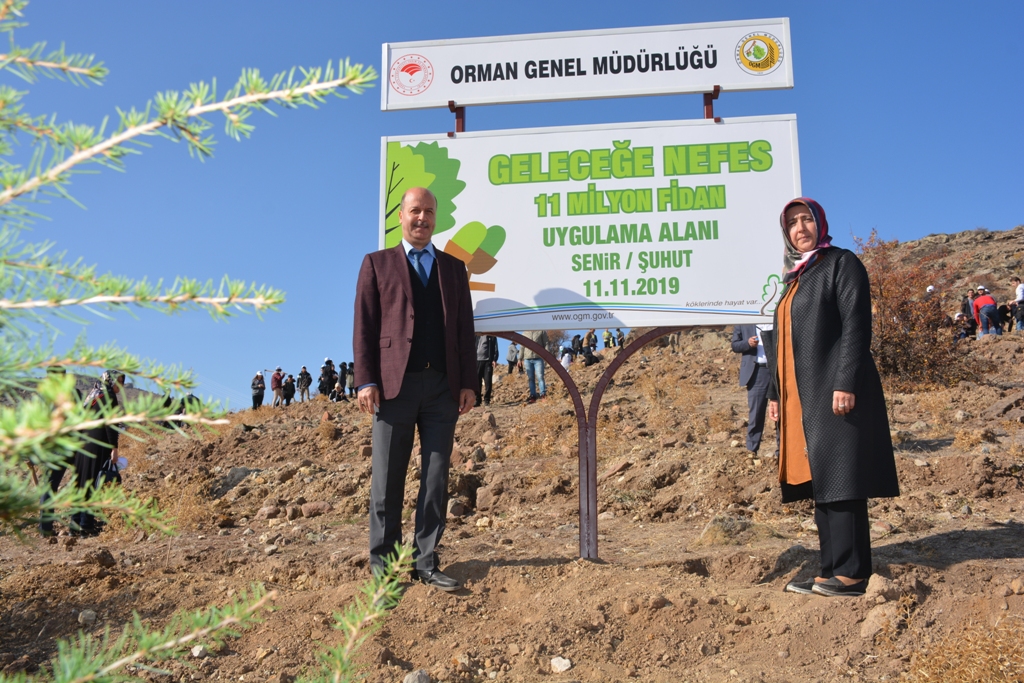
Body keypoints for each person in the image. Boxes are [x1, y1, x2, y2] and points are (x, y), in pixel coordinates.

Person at [763, 198, 899, 597]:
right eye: (792, 223)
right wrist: (775, 392)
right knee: (821, 476)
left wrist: (846, 381)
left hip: (835, 388)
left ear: (820, 223)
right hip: (803, 394)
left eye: (806, 219)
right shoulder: (796, 278)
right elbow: (783, 344)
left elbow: (856, 325)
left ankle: (852, 573)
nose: (800, 227)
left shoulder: (841, 263)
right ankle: (830, 570)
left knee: (842, 476)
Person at [354, 186, 476, 592]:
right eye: (414, 211)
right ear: (401, 216)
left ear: (435, 218)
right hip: (393, 388)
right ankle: (385, 568)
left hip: (443, 388)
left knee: (436, 478)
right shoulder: (376, 264)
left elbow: (464, 328)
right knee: (387, 481)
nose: (421, 218)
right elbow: (364, 325)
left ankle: (426, 561)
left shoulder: (453, 268)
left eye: (428, 212)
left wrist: (468, 382)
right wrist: (366, 380)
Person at [71, 371, 126, 535]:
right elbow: (111, 425)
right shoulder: (109, 397)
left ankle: (75, 525)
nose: (121, 386)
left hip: (83, 445)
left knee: (81, 484)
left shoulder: (94, 396)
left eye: (122, 382)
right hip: (97, 445)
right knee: (93, 483)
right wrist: (114, 448)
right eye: (118, 382)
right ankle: (86, 525)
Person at [730, 322, 774, 457]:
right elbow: (735, 345)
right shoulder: (745, 321)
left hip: (779, 369)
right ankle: (751, 451)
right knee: (756, 413)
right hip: (757, 371)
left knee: (782, 412)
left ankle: (782, 452)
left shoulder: (778, 317)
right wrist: (748, 343)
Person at [522, 330, 548, 402]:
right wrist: (519, 359)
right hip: (527, 359)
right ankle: (532, 396)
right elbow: (522, 346)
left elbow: (546, 343)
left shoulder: (541, 331)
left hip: (538, 358)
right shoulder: (525, 333)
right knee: (531, 378)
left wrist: (547, 355)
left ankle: (543, 394)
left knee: (540, 376)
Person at [475, 334, 498, 406]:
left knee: (488, 381)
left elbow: (496, 348)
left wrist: (494, 359)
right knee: (477, 382)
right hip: (477, 361)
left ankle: (487, 400)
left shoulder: (492, 336)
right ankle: (477, 400)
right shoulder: (477, 335)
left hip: (487, 362)